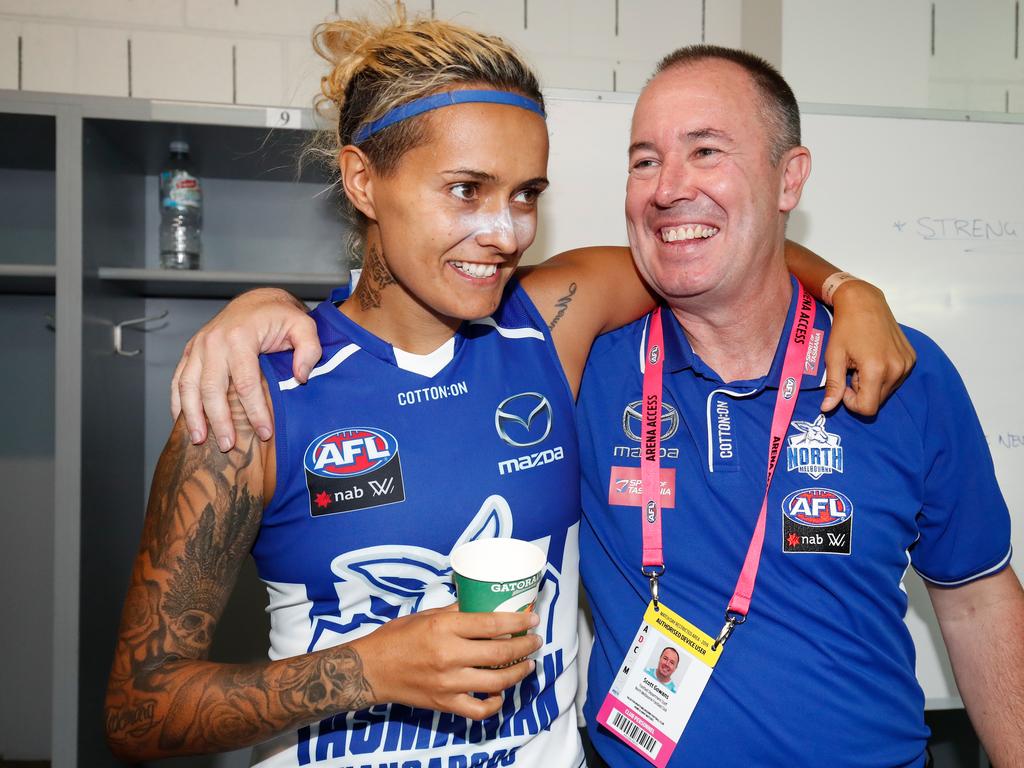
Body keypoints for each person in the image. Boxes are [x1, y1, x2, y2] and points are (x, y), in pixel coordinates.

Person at [147, 15, 915, 768]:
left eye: (525, 194)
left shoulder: (549, 324)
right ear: (363, 180)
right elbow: (142, 710)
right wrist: (369, 669)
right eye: (466, 189)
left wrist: (851, 291)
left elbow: (717, 240)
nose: (507, 231)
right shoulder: (251, 396)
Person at [574, 47, 1024, 767]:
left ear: (789, 179)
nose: (668, 190)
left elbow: (976, 599)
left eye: (706, 150)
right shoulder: (584, 365)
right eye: (645, 161)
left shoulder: (902, 370)